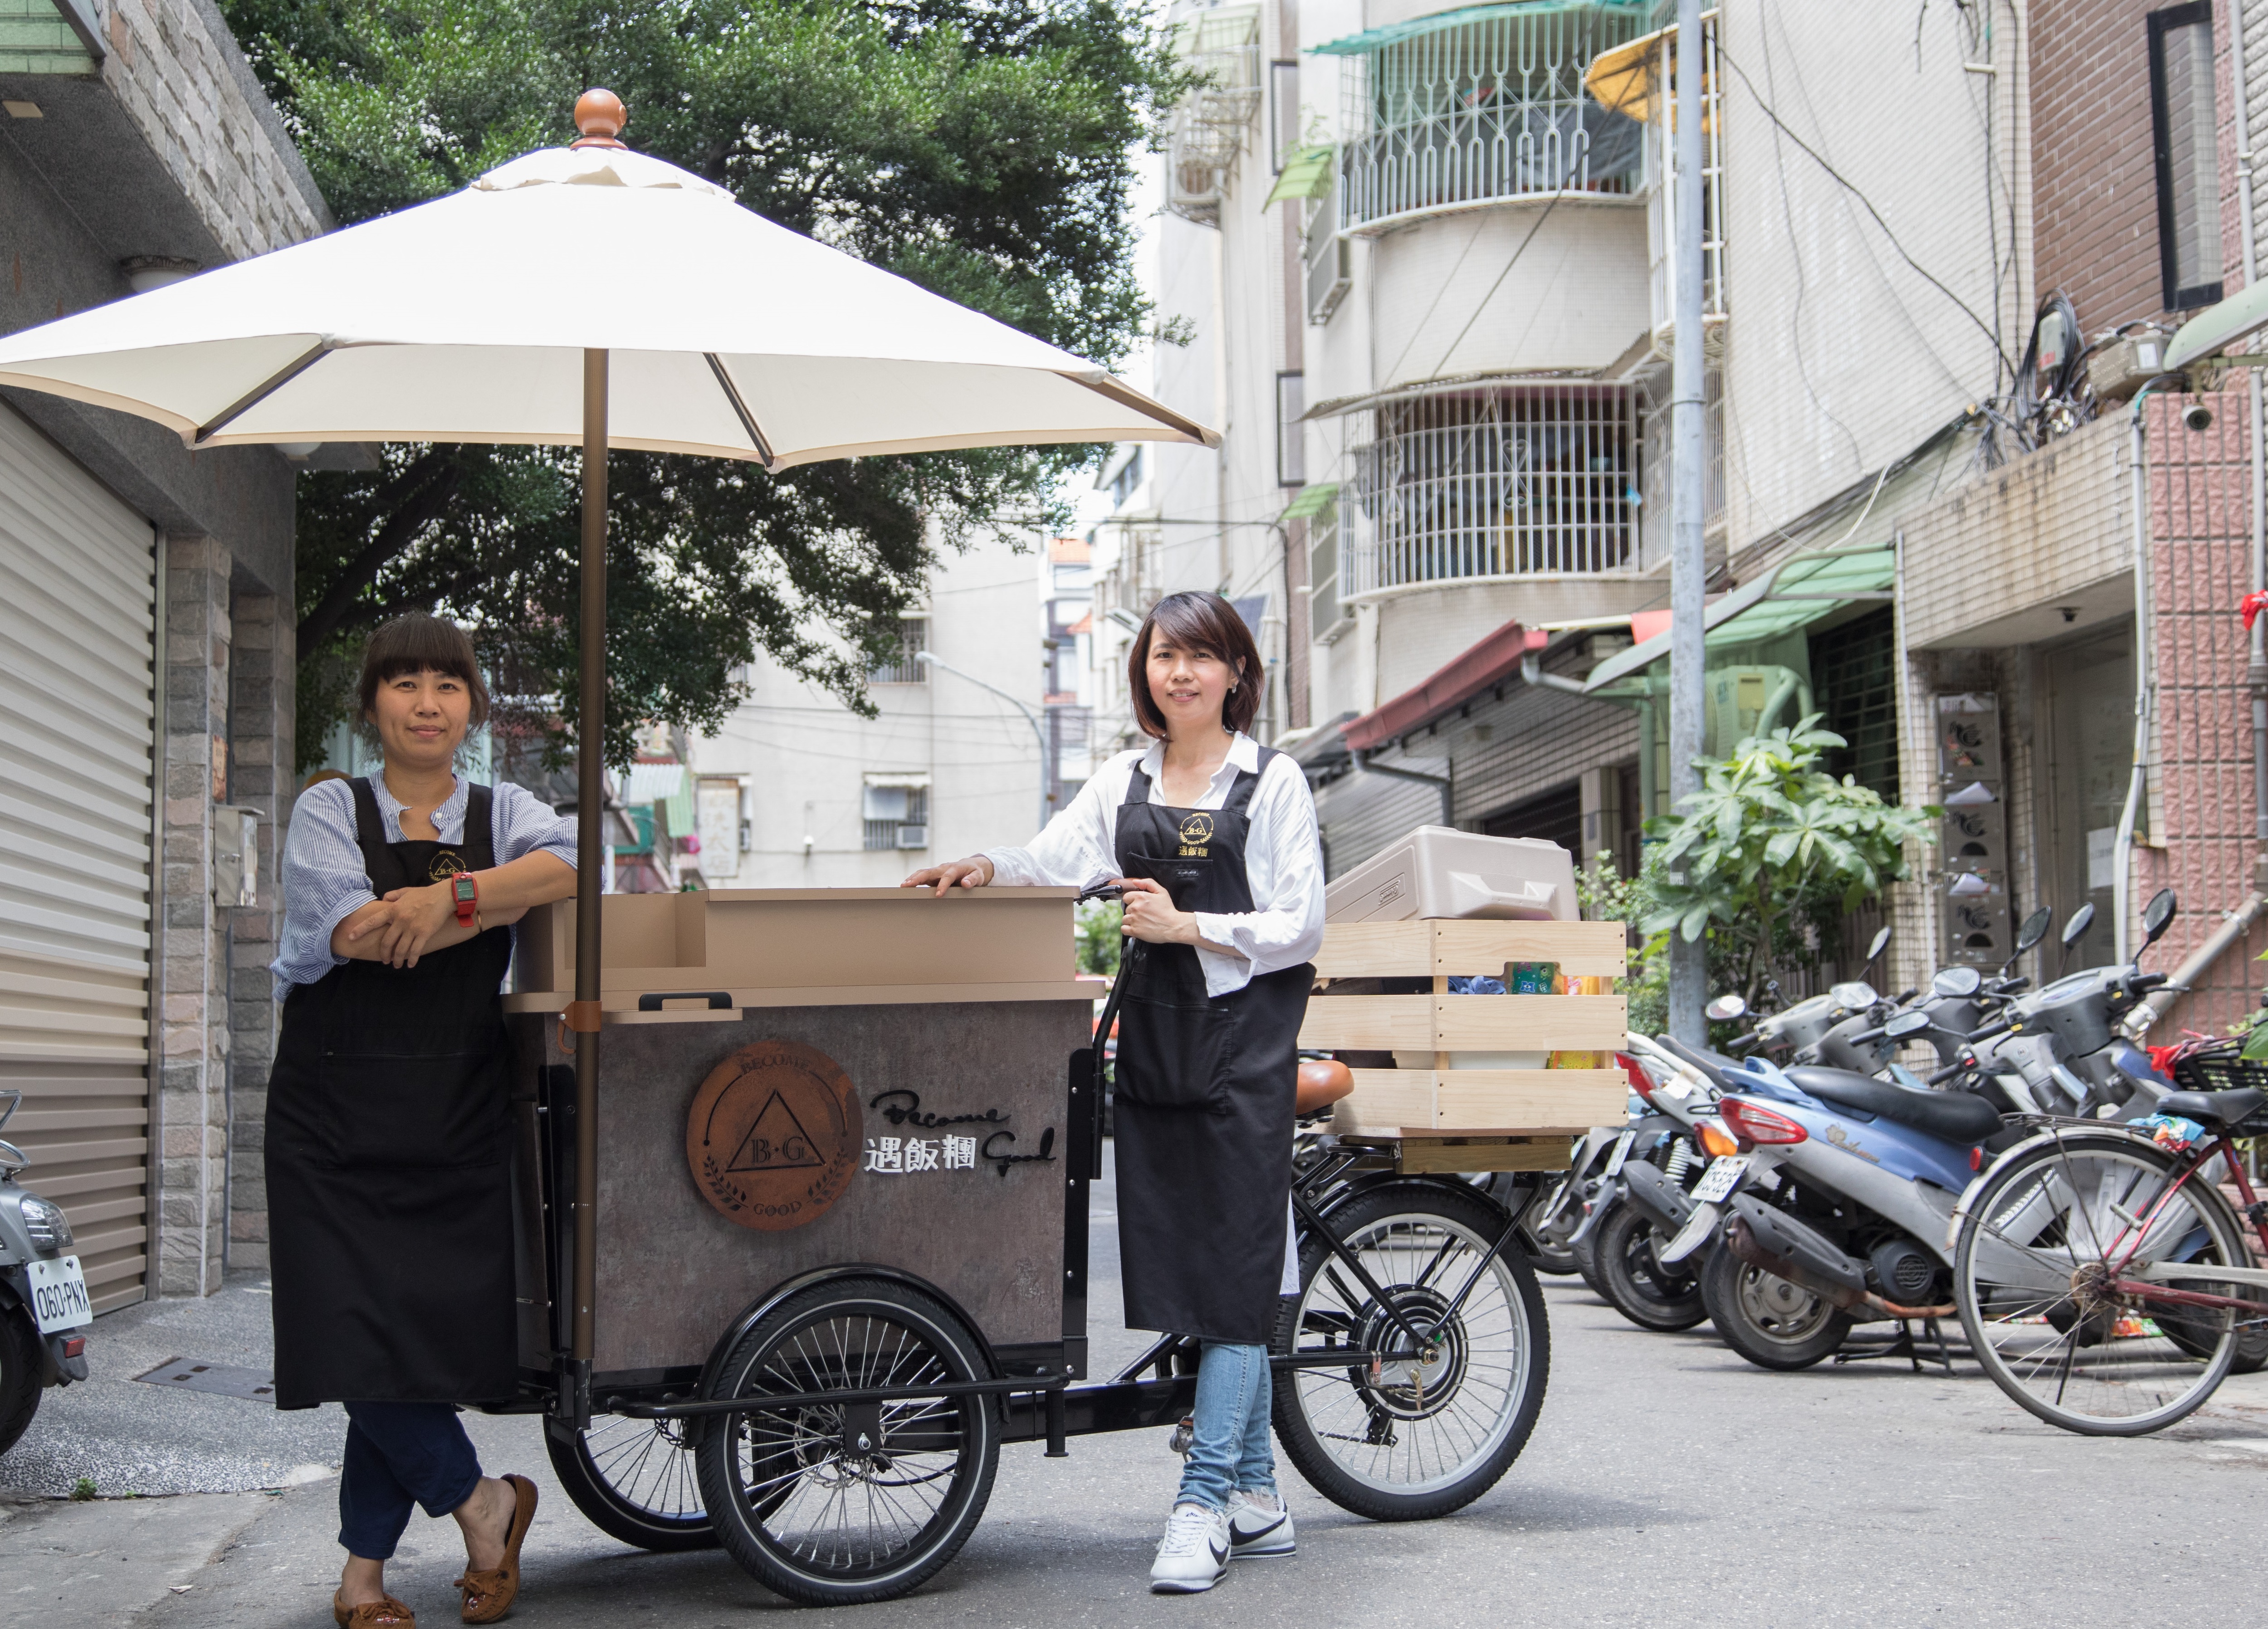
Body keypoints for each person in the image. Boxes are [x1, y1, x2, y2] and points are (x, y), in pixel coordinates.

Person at [904, 590, 1324, 1594]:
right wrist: (981, 865)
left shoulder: (1273, 780)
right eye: (1163, 655)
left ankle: (1203, 1499)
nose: (1178, 673)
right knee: (1196, 1274)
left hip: (1245, 1054)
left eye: (1199, 657)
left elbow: (1301, 922)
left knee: (1228, 1289)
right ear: (1145, 671)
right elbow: (1056, 861)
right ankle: (1261, 1496)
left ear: (1234, 673)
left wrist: (1190, 926)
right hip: (1156, 1048)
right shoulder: (1124, 780)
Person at [267, 614, 581, 1628]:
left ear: (472, 706)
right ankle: (483, 1503)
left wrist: (442, 900)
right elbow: (351, 929)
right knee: (348, 1331)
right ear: (374, 705)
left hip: (451, 1109)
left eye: (448, 684)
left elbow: (569, 865)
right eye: (404, 683)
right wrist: (485, 903)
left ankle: (362, 1577)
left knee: (399, 1347)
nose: (427, 702)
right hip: (330, 1115)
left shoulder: (509, 805)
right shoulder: (329, 804)